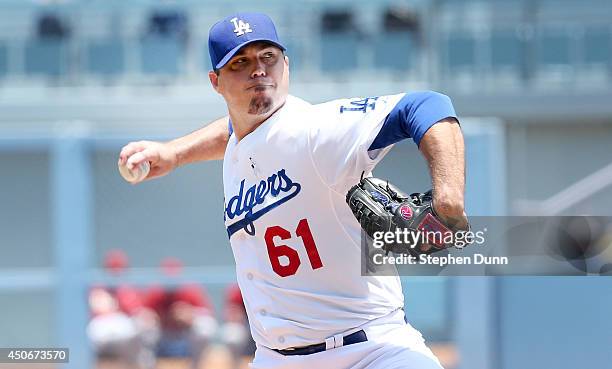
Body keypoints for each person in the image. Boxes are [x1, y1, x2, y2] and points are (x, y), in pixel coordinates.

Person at [119, 12, 467, 369]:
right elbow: (231, 131)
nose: (258, 70)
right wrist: (174, 153)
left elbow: (426, 105)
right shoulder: (243, 137)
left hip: (372, 352)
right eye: (240, 62)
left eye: (268, 57)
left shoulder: (316, 129)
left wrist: (448, 199)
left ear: (286, 63)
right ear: (216, 82)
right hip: (276, 359)